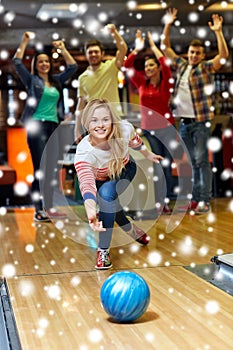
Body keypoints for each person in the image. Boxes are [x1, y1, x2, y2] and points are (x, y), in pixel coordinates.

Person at [74, 99, 163, 269]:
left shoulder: (124, 128)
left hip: (125, 169)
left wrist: (148, 154)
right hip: (100, 179)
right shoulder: (84, 153)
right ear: (86, 123)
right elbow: (87, 186)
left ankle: (103, 250)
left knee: (107, 196)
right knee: (111, 204)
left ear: (112, 120)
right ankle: (133, 231)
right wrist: (91, 212)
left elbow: (136, 142)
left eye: (105, 119)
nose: (100, 125)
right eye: (94, 120)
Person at [161, 9, 229, 214]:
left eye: (197, 53)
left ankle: (204, 200)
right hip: (185, 123)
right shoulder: (182, 66)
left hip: (200, 122)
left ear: (202, 55)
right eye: (191, 52)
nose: (193, 56)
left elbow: (223, 55)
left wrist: (218, 32)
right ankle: (194, 198)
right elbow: (166, 48)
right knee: (191, 162)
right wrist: (168, 25)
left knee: (201, 161)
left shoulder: (206, 68)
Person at [13, 32, 78, 222]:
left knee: (51, 170)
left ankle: (49, 208)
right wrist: (24, 41)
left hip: (53, 128)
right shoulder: (32, 81)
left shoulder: (57, 81)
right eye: (40, 61)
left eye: (46, 61)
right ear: (36, 65)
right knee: (40, 169)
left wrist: (63, 49)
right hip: (37, 127)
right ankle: (38, 210)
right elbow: (17, 63)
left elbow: (73, 66)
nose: (44, 64)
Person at [124, 30, 176, 215]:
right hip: (150, 131)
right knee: (157, 166)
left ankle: (167, 201)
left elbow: (165, 63)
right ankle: (159, 202)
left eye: (151, 65)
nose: (148, 68)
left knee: (167, 165)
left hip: (167, 129)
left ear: (157, 68)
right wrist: (137, 49)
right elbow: (127, 65)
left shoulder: (165, 83)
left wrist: (153, 46)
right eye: (146, 66)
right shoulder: (141, 83)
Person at [74, 23, 127, 142]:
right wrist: (77, 129)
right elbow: (81, 105)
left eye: (96, 52)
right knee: (98, 157)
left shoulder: (111, 67)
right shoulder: (82, 77)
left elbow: (123, 49)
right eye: (90, 52)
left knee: (118, 156)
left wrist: (114, 32)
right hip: (94, 122)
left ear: (102, 54)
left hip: (114, 119)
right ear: (86, 55)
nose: (93, 54)